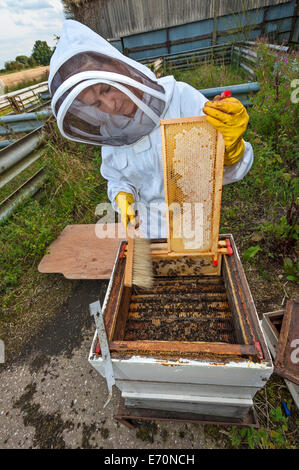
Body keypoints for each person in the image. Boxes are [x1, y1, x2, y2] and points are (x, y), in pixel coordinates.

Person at [49, 20, 253, 239]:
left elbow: (233, 171)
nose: (110, 106)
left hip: (195, 227)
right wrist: (121, 195)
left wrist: (231, 152)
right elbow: (116, 177)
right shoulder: (111, 132)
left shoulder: (180, 99)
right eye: (97, 104)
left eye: (107, 89)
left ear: (119, 67)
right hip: (149, 233)